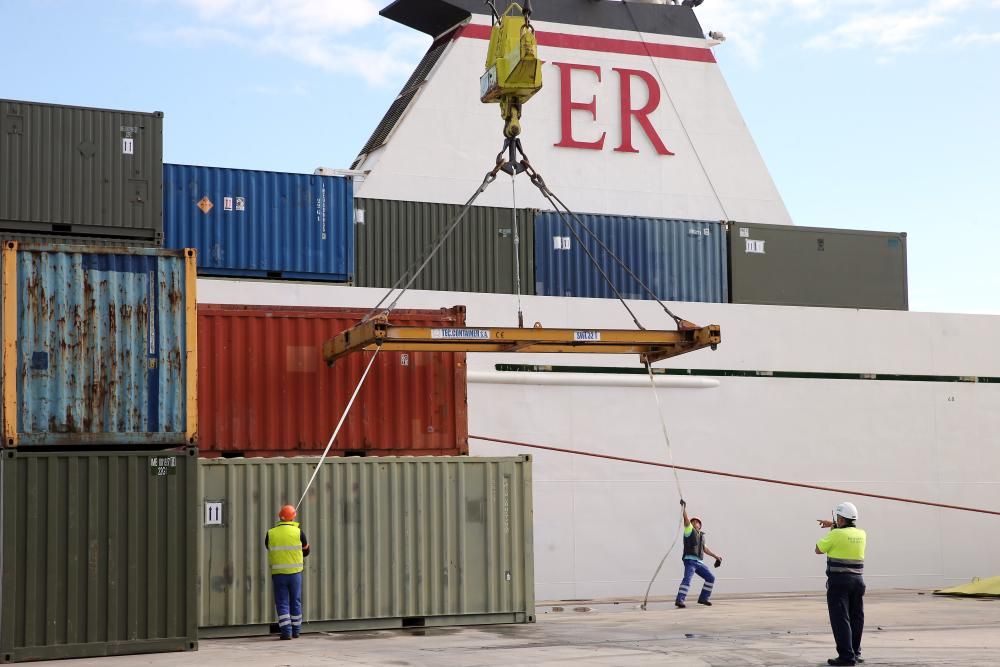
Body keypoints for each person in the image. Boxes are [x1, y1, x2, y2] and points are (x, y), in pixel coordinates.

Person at [816, 501, 867, 666]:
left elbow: (818, 549)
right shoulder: (861, 534)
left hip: (839, 582)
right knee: (856, 617)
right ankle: (855, 652)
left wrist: (833, 529)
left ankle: (846, 656)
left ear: (842, 519)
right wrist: (834, 525)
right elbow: (846, 533)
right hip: (858, 581)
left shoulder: (835, 534)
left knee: (841, 619)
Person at [265, 504, 311, 639]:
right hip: (295, 573)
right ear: (293, 518)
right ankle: (296, 630)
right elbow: (307, 551)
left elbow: (268, 547)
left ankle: (286, 632)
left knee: (282, 602)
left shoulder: (271, 533)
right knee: (295, 601)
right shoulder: (299, 533)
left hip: (279, 574)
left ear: (280, 517)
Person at [675, 499, 723, 608]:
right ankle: (679, 600)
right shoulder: (689, 530)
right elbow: (686, 520)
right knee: (687, 579)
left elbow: (705, 549)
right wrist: (684, 509)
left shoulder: (702, 536)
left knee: (711, 578)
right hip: (690, 561)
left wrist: (717, 557)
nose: (694, 522)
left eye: (697, 522)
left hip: (699, 563)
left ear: (700, 525)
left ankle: (703, 598)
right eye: (693, 521)